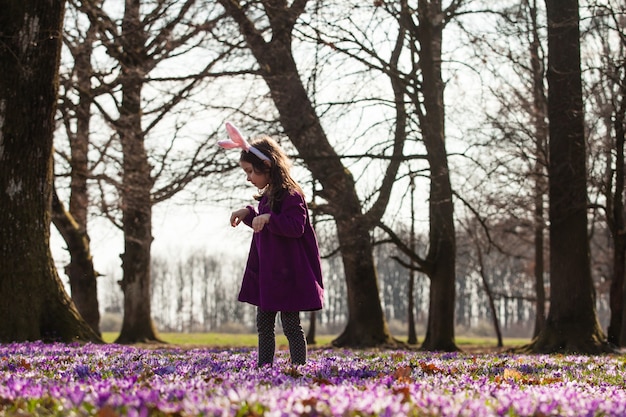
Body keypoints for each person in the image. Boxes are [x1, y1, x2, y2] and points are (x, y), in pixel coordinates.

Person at [220, 123, 324, 367]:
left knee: (290, 324)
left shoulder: (292, 194)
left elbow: (295, 226)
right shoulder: (267, 196)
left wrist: (268, 218)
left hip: (288, 273)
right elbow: (262, 225)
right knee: (264, 323)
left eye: (249, 171)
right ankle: (264, 367)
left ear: (266, 166)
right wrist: (248, 213)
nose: (248, 178)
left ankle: (299, 367)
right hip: (269, 273)